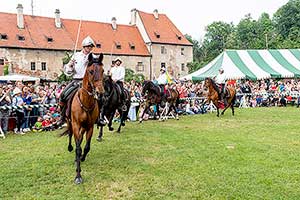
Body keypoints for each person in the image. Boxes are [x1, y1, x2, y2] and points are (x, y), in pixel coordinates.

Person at [57, 36, 106, 127]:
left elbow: (97, 69)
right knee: (63, 95)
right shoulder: (76, 56)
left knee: (101, 97)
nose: (89, 48)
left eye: (91, 47)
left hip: (89, 83)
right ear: (83, 47)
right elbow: (68, 71)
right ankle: (62, 117)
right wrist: (70, 66)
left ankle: (99, 117)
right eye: (88, 46)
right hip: (76, 80)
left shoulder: (93, 57)